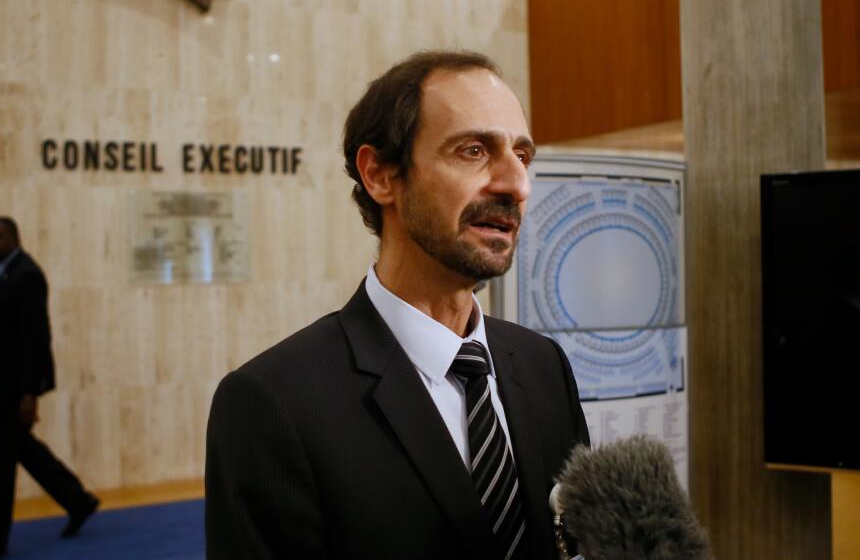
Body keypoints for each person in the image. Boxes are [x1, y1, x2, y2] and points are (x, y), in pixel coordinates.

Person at [205, 51, 590, 559]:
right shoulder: (273, 405)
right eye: (473, 150)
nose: (516, 184)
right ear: (381, 175)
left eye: (523, 156)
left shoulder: (544, 366)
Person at [0, 217, 99, 560]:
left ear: (14, 238)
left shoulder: (26, 275)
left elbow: (35, 340)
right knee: (25, 453)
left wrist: (30, 394)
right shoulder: (3, 273)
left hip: (11, 393)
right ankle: (78, 501)